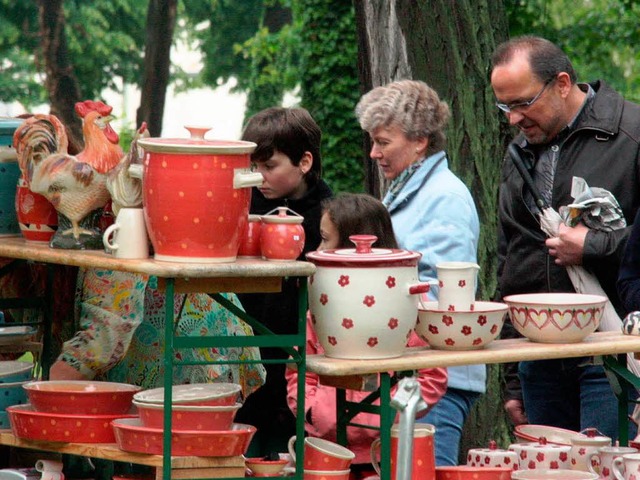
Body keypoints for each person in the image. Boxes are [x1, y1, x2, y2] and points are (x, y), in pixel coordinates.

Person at [491, 35, 640, 439]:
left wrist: (593, 247)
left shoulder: (633, 134)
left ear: (561, 83)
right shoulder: (519, 152)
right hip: (537, 361)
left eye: (522, 103)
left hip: (614, 358)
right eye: (505, 106)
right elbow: (512, 261)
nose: (513, 119)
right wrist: (512, 379)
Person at [355, 80, 482, 466]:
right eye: (373, 142)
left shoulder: (444, 197)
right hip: (417, 370)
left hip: (436, 377)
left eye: (384, 142)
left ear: (420, 140)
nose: (375, 153)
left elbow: (449, 292)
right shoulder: (408, 189)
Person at [285, 193, 447, 480]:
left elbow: (431, 374)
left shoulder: (404, 307)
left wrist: (389, 414)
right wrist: (315, 410)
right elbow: (298, 369)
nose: (318, 248)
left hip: (388, 452)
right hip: (327, 451)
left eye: (325, 238)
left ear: (351, 244)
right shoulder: (320, 311)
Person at [234, 107, 333, 456]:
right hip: (246, 356)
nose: (258, 176)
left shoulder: (330, 217)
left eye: (269, 166)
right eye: (253, 166)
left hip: (299, 364)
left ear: (304, 162)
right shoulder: (241, 205)